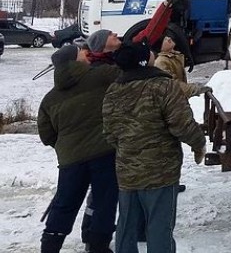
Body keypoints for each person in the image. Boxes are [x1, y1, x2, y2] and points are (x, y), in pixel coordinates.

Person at [102, 40, 206, 253]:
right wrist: (199, 144)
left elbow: (109, 133)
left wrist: (128, 151)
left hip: (127, 172)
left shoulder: (113, 90)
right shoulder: (163, 86)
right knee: (159, 227)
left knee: (126, 225)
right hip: (160, 171)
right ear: (143, 61)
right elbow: (182, 125)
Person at [37, 43, 120, 253]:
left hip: (70, 160)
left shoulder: (49, 99)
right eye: (82, 52)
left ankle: (50, 245)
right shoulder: (101, 76)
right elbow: (126, 75)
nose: (87, 53)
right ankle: (98, 246)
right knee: (104, 202)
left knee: (65, 204)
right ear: (75, 59)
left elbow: (46, 135)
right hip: (104, 153)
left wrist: (67, 144)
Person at [153, 33, 209, 99]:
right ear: (160, 46)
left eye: (167, 37)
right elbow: (173, 85)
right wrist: (193, 89)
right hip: (172, 103)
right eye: (165, 39)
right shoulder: (161, 62)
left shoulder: (173, 57)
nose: (169, 39)